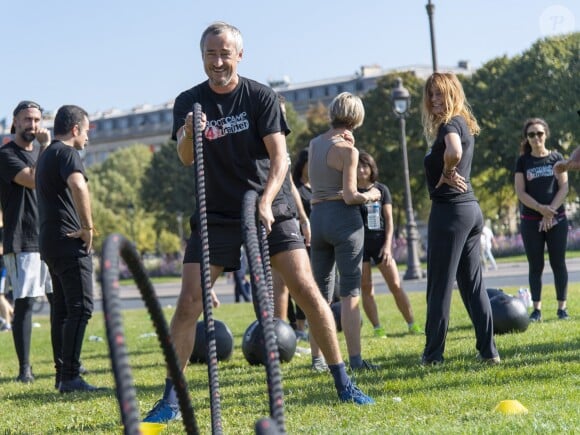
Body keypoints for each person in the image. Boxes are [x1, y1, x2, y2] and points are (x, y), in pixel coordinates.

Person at [143, 22, 374, 423]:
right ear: (202, 58)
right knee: (187, 305)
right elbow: (185, 158)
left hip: (269, 207)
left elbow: (281, 158)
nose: (218, 62)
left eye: (225, 54)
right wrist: (187, 133)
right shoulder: (189, 102)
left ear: (239, 55)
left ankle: (343, 382)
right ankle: (171, 399)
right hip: (216, 214)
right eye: (211, 55)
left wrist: (267, 201)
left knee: (306, 290)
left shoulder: (260, 96)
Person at [421, 72, 500, 365]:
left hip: (451, 212)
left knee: (439, 285)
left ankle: (432, 356)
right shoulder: (464, 123)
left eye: (440, 94)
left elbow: (453, 151)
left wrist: (446, 172)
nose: (434, 100)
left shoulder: (450, 125)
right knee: (472, 284)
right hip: (469, 210)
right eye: (431, 95)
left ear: (453, 93)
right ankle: (489, 352)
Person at [308, 92, 381, 372]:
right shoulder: (348, 151)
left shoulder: (314, 144)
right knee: (350, 292)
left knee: (318, 294)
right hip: (343, 219)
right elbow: (351, 195)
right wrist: (371, 194)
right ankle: (355, 360)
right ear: (357, 117)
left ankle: (318, 360)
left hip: (318, 218)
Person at [35, 104, 102, 393]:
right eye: (86, 131)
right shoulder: (67, 152)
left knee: (62, 310)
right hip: (68, 239)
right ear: (75, 129)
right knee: (82, 307)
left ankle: (62, 376)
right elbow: (78, 185)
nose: (87, 138)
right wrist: (88, 228)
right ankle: (71, 377)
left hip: (49, 239)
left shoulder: (48, 154)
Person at [0, 100, 53, 382]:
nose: (32, 125)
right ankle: (25, 370)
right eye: (26, 120)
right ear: (15, 122)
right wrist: (46, 149)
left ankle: (64, 364)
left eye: (36, 120)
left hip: (49, 237)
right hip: (23, 239)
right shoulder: (6, 155)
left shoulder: (41, 154)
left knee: (59, 301)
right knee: (25, 303)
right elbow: (34, 180)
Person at [356, 151, 422, 337]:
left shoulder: (382, 190)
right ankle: (378, 329)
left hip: (380, 244)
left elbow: (389, 221)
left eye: (365, 166)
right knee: (366, 288)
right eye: (358, 166)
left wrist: (388, 246)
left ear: (371, 168)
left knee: (395, 284)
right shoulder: (351, 192)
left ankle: (412, 324)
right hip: (360, 247)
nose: (361, 170)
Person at [514, 118, 569, 322]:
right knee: (535, 265)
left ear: (546, 134)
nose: (536, 137)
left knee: (558, 263)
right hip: (531, 220)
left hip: (557, 220)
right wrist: (540, 209)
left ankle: (562, 308)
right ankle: (536, 310)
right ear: (527, 138)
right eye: (531, 134)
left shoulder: (557, 158)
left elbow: (564, 187)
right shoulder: (523, 161)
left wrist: (550, 211)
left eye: (539, 133)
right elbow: (520, 192)